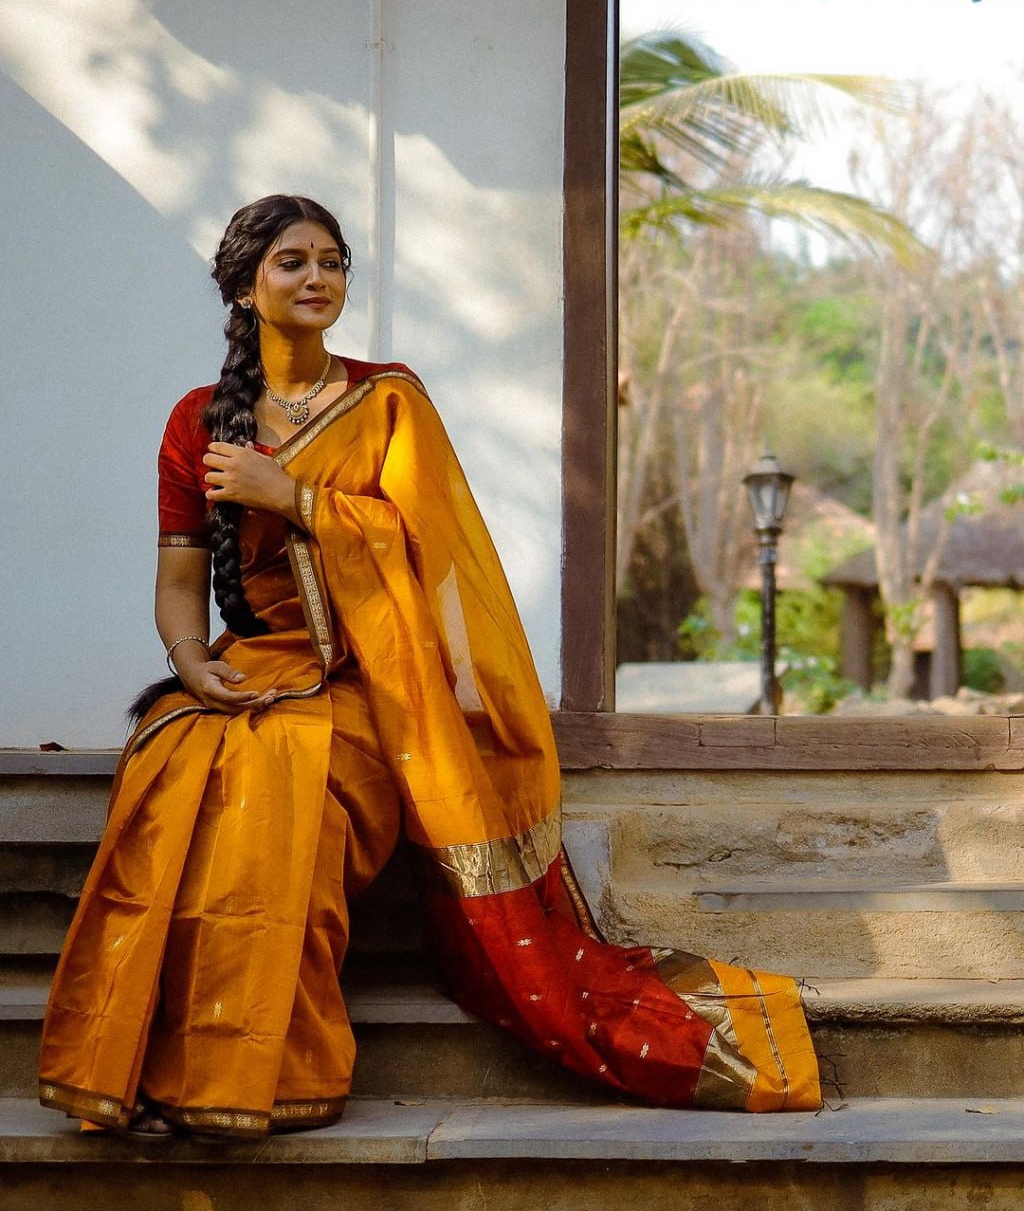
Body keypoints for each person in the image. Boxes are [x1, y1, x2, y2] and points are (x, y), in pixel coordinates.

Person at [38, 195, 820, 1140]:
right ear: (245, 286)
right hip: (246, 669)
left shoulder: (391, 401)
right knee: (172, 771)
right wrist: (192, 663)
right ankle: (150, 1065)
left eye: (332, 261)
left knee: (289, 787)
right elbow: (178, 583)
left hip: (372, 684)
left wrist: (294, 496)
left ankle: (262, 1071)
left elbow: (431, 558)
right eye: (292, 262)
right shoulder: (198, 420)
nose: (318, 278)